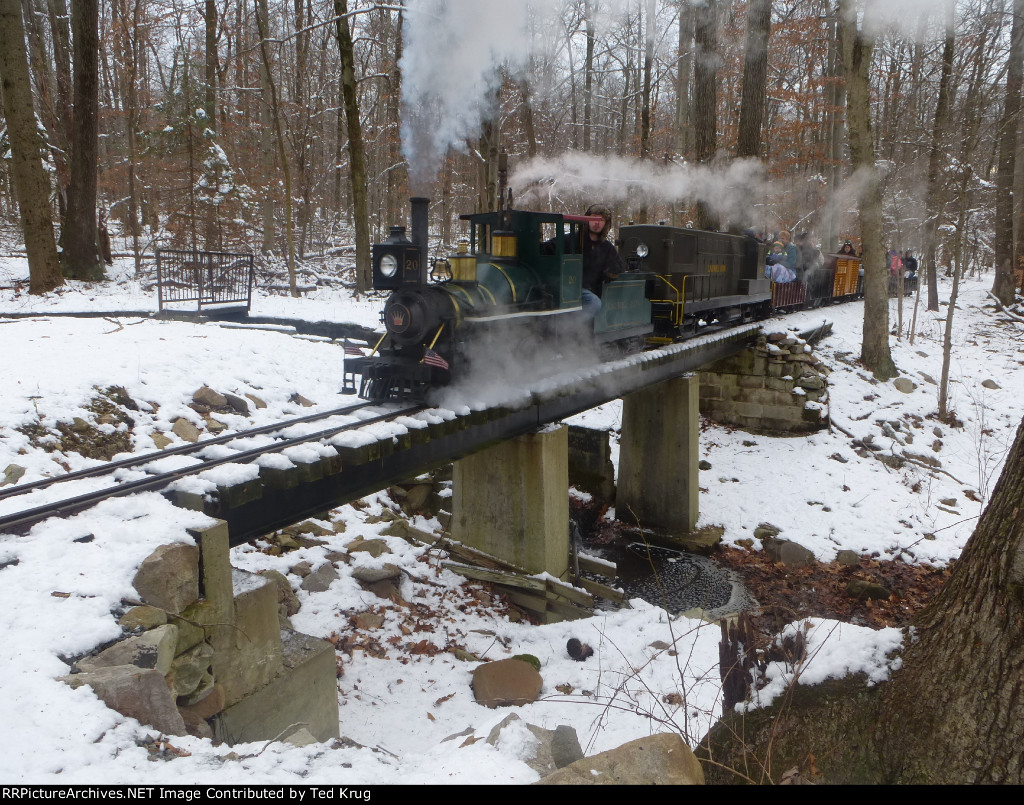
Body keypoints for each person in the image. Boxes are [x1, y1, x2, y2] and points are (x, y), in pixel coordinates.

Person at [579, 204, 625, 320]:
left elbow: (618, 268)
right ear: (587, 219)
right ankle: (571, 330)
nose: (597, 223)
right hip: (571, 289)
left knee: (595, 303)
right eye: (593, 218)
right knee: (594, 303)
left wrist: (610, 271)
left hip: (594, 290)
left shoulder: (607, 247)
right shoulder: (571, 240)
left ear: (606, 224)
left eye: (601, 220)